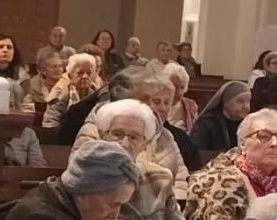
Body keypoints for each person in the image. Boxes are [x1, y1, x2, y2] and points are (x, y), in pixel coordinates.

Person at [73, 68, 191, 198]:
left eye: (155, 100)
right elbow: (87, 178)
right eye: (145, 100)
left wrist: (173, 203)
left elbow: (181, 181)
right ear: (123, 100)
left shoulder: (164, 134)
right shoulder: (96, 129)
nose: (155, 107)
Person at [2, 143, 140, 220]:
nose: (115, 215)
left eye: (121, 205)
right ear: (85, 189)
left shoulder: (70, 205)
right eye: (112, 204)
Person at [96, 98, 192, 220]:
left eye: (134, 137)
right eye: (117, 134)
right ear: (103, 135)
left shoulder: (160, 178)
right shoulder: (88, 179)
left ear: (145, 143)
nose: (124, 143)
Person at [43, 51, 102, 128]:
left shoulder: (99, 94)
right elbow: (50, 124)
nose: (85, 76)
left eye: (89, 73)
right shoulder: (60, 95)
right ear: (70, 75)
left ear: (94, 75)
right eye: (80, 73)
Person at [191, 79, 251, 151]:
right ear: (226, 103)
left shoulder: (251, 124)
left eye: (248, 101)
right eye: (240, 101)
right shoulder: (206, 124)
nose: (246, 106)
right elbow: (198, 153)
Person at [0, 33, 28, 110]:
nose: (5, 50)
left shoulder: (23, 77)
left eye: (9, 47)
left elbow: (27, 105)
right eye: (0, 47)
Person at [164, 61, 199, 131]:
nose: (179, 92)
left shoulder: (191, 105)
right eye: (175, 87)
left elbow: (196, 131)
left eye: (182, 87)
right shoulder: (156, 105)